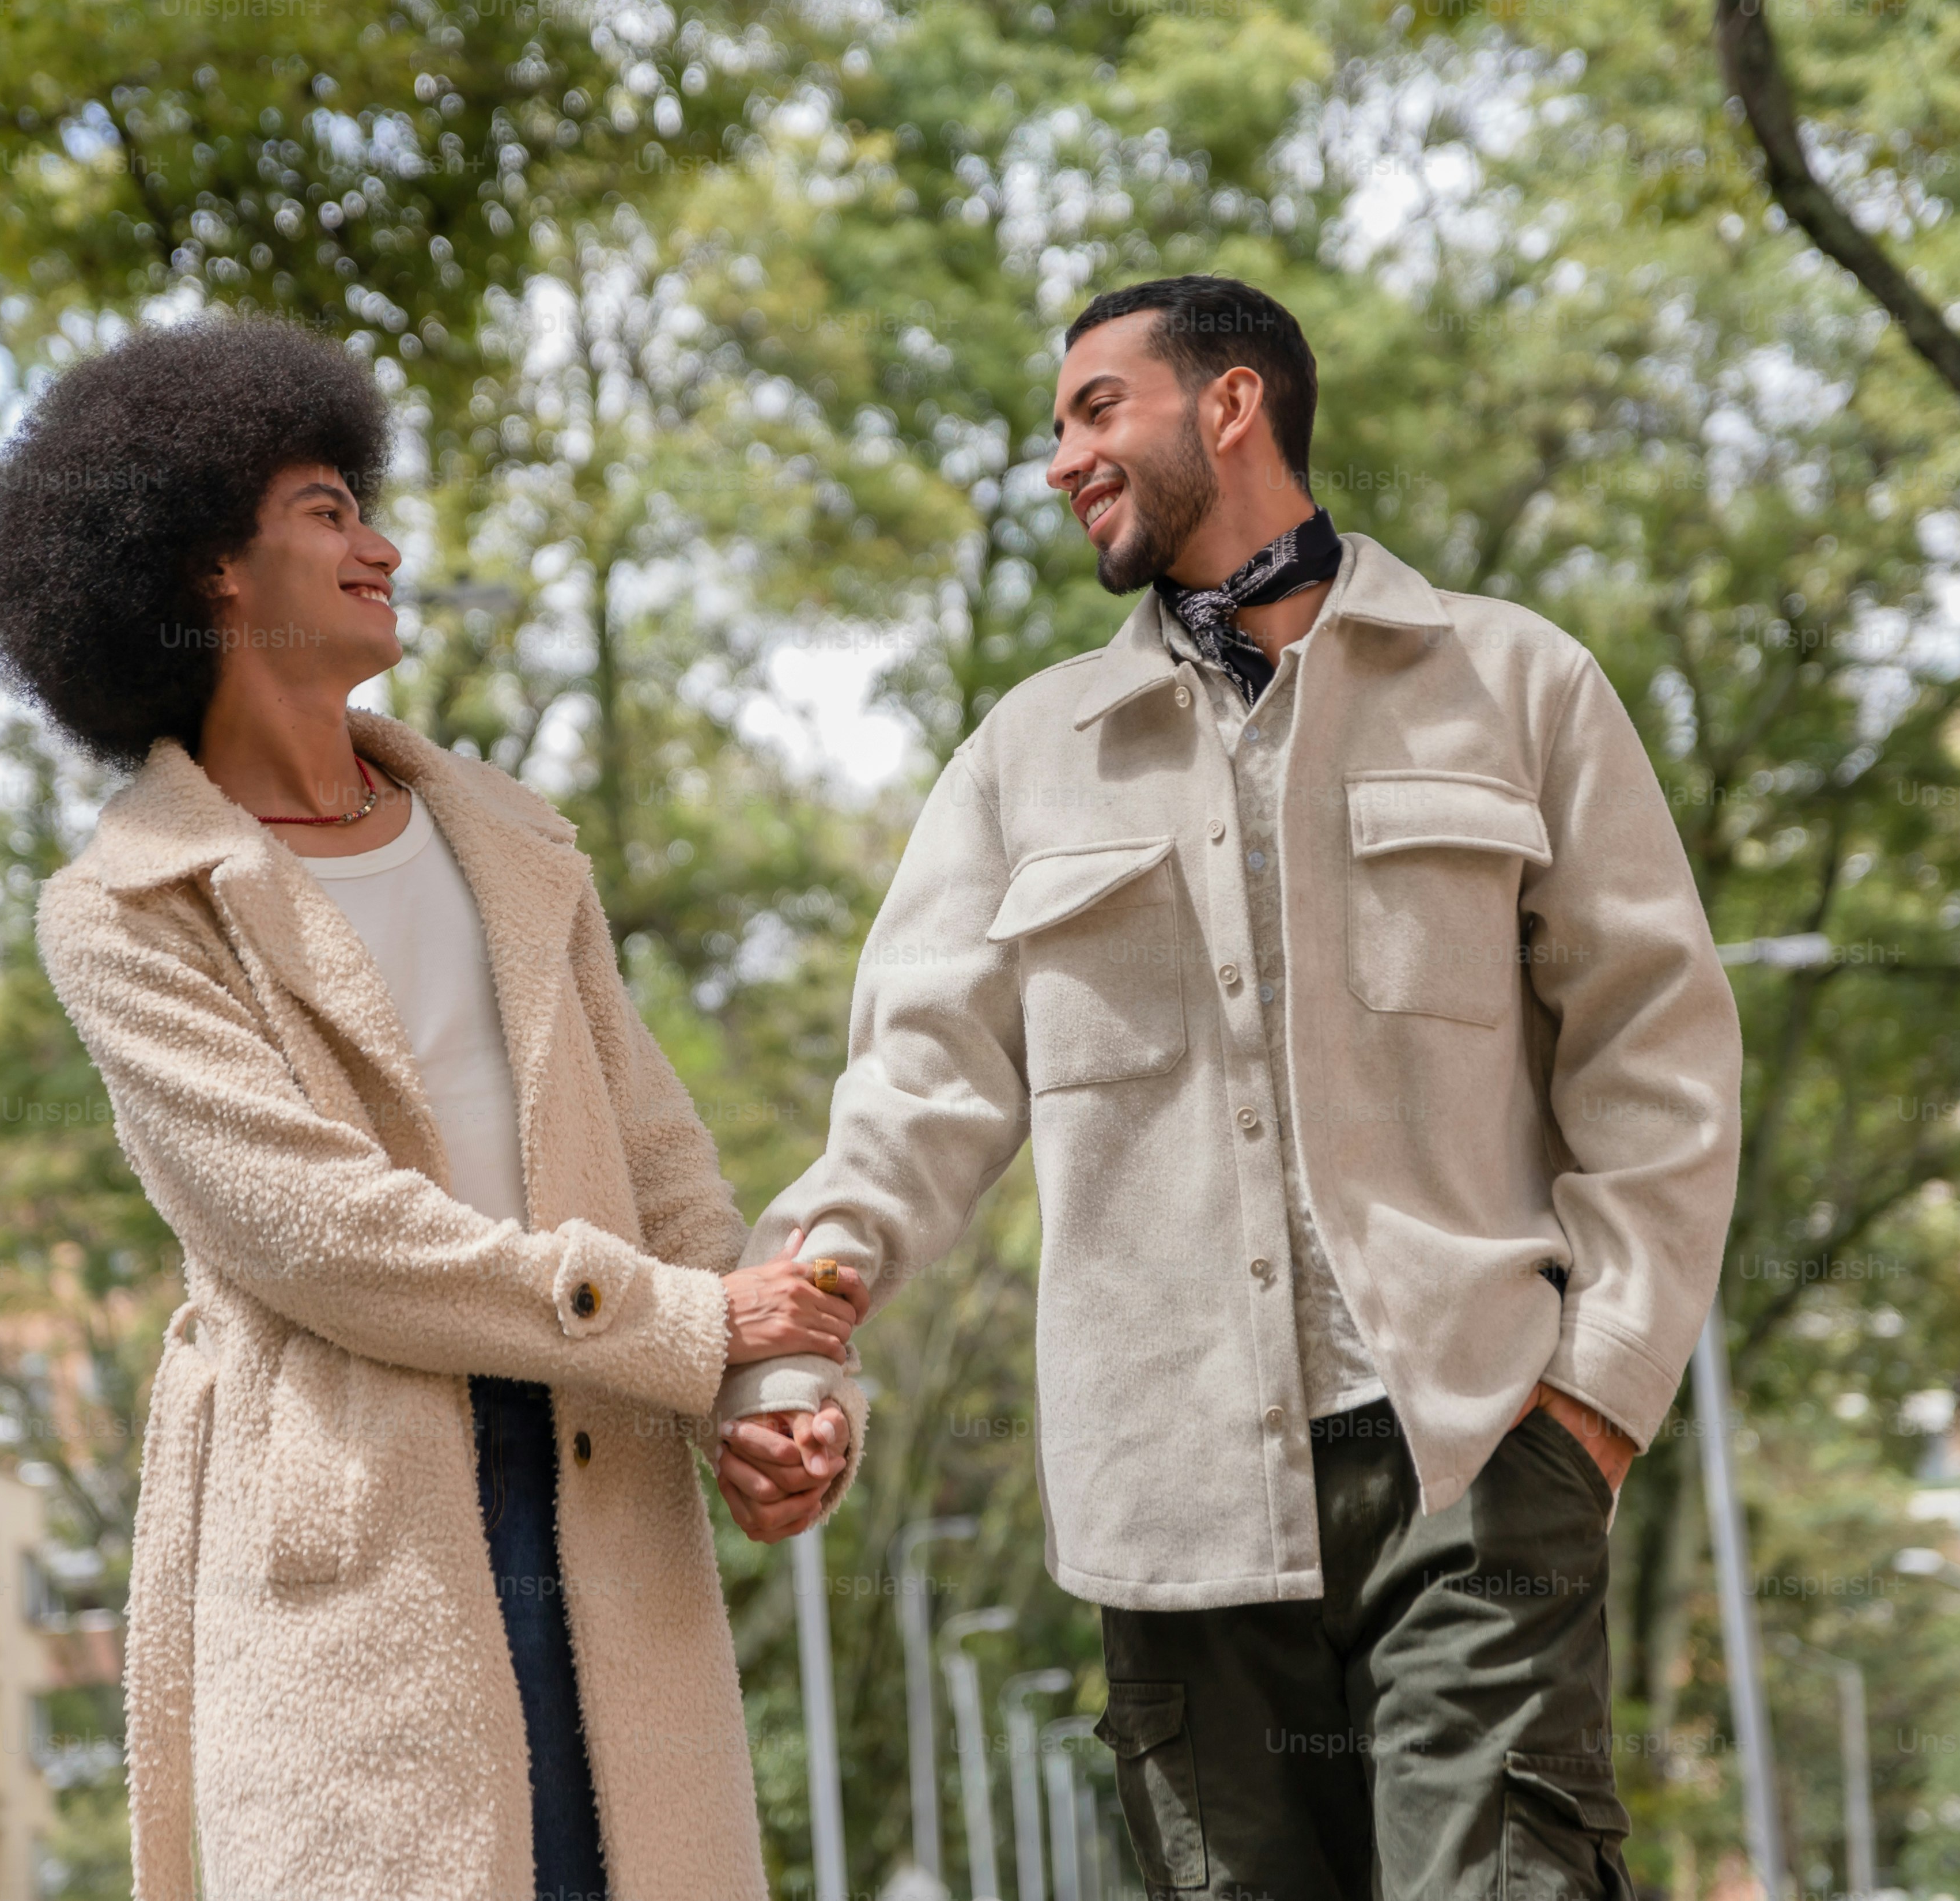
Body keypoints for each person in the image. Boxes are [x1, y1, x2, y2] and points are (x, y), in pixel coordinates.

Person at [713, 277, 1743, 1899]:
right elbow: (917, 1092)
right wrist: (789, 1349)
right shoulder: (1025, 756)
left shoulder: (1517, 686)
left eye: (1093, 409)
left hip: (1473, 1458)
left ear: (1231, 404)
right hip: (1169, 1504)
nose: (1060, 458)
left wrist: (1598, 1393)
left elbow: (1656, 1044)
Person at [0, 316, 867, 1901]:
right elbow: (317, 1235)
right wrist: (688, 1316)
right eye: (327, 509)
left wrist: (765, 1394)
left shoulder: (515, 842)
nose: (381, 545)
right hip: (364, 1534)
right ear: (208, 567)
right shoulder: (125, 908)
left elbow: (663, 1159)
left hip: (607, 1481)